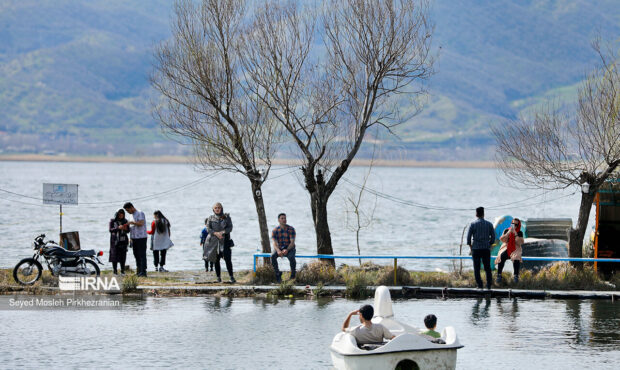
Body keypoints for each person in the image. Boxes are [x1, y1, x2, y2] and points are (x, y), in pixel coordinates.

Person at [204, 202, 235, 283]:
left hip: (225, 241)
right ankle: (218, 277)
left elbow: (230, 227)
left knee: (228, 260)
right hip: (214, 242)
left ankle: (231, 277)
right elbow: (208, 228)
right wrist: (215, 233)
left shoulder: (226, 217)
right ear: (213, 209)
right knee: (216, 260)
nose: (217, 209)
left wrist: (222, 232)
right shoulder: (210, 218)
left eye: (219, 207)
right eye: (216, 208)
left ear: (221, 208)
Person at [466, 206, 495, 290]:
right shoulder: (489, 224)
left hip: (476, 249)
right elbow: (493, 238)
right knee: (487, 268)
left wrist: (471, 247)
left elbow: (468, 238)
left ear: (476, 214)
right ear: (483, 214)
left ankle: (480, 285)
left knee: (477, 268)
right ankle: (488, 285)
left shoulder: (473, 224)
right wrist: (488, 244)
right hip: (486, 249)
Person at [495, 218, 524, 283]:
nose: (514, 226)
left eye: (516, 224)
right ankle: (499, 275)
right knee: (501, 256)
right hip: (507, 248)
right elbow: (502, 240)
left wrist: (515, 234)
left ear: (518, 225)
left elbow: (520, 242)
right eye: (512, 224)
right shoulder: (506, 230)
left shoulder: (520, 232)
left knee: (516, 257)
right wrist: (508, 233)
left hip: (515, 248)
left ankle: (516, 276)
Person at [123, 202, 148, 277]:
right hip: (134, 238)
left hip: (141, 237)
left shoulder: (140, 213)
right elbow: (132, 228)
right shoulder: (131, 215)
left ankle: (143, 271)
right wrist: (130, 238)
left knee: (142, 254)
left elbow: (141, 223)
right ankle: (139, 270)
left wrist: (132, 222)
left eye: (128, 210)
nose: (128, 212)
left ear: (131, 207)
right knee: (136, 254)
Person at [271, 213, 296, 283]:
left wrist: (287, 249)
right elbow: (274, 243)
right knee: (273, 256)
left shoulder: (291, 229)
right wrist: (278, 250)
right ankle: (278, 273)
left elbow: (292, 242)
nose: (284, 220)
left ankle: (293, 275)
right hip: (279, 248)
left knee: (291, 257)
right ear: (279, 220)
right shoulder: (275, 230)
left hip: (290, 248)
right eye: (282, 218)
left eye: (285, 218)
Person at [108, 209, 129, 275]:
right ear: (117, 214)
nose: (121, 215)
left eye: (122, 214)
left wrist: (125, 229)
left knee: (123, 256)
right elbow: (110, 230)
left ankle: (122, 271)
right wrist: (118, 228)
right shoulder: (112, 221)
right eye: (119, 214)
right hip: (114, 241)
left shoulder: (125, 221)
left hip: (123, 241)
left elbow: (128, 230)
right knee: (114, 256)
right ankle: (115, 271)